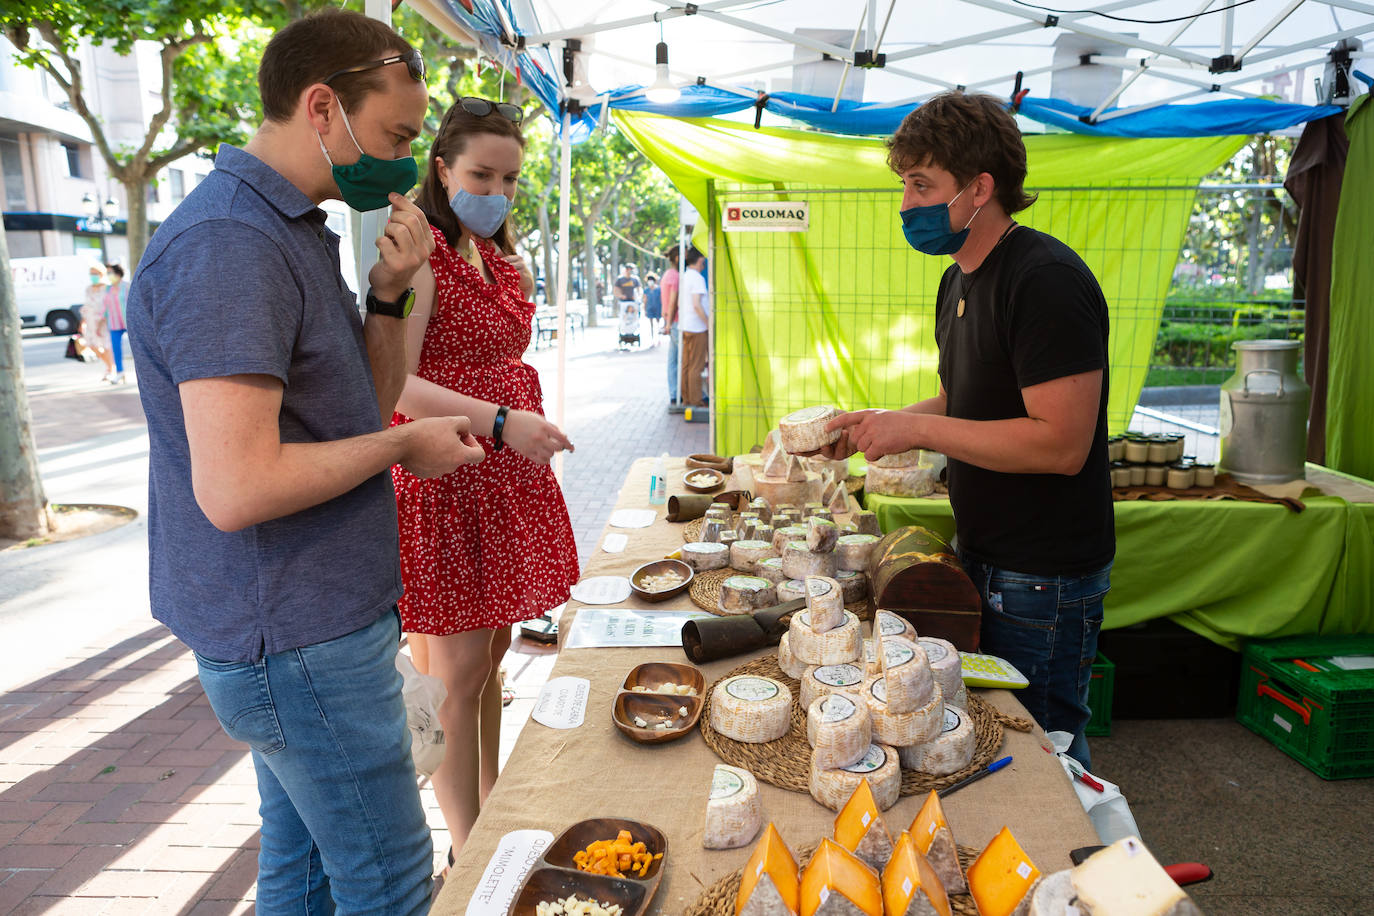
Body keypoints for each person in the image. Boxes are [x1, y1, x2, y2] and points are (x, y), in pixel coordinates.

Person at [125, 11, 487, 913]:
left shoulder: (290, 228)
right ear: (323, 107)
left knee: (306, 873)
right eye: (399, 136)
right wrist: (406, 444)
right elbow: (239, 486)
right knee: (391, 884)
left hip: (314, 627)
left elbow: (351, 411)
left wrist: (389, 297)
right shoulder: (230, 246)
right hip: (296, 637)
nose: (406, 161)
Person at [822, 91, 1114, 768]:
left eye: (922, 185)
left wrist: (917, 433)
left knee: (1044, 754)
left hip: (1044, 573)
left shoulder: (1044, 280)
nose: (905, 205)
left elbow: (1060, 443)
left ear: (981, 189)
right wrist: (876, 425)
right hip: (986, 550)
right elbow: (967, 398)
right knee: (992, 741)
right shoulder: (958, 279)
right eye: (903, 185)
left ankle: (1076, 867)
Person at [392, 96, 579, 865]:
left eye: (509, 179)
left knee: (491, 660)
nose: (497, 192)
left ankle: (494, 806)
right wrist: (503, 422)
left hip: (498, 481)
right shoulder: (424, 253)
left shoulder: (488, 253)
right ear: (442, 167)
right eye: (481, 174)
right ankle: (469, 855)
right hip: (449, 477)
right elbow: (397, 383)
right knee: (459, 675)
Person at [678, 246, 710, 408]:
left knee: (686, 365)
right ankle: (696, 400)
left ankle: (687, 398)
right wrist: (707, 323)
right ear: (699, 260)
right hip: (697, 327)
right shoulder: (697, 278)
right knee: (696, 367)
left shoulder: (684, 276)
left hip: (685, 325)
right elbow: (697, 304)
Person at [80, 263, 116, 381]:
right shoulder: (88, 289)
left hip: (103, 320)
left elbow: (110, 305)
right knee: (91, 345)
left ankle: (111, 369)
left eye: (95, 273)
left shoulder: (107, 287)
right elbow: (87, 306)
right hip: (90, 321)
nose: (92, 276)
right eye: (91, 274)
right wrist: (83, 322)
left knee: (106, 345)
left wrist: (102, 319)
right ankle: (109, 366)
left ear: (101, 274)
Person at [660, 246, 682, 412]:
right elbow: (673, 301)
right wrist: (669, 323)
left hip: (670, 320)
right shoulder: (676, 276)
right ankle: (676, 393)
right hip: (675, 322)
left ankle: (674, 393)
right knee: (678, 359)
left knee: (672, 360)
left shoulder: (667, 275)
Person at [100, 264, 129, 384]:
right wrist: (101, 322)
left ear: (118, 273)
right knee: (116, 349)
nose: (109, 275)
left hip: (128, 322)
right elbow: (104, 307)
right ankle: (120, 373)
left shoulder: (127, 286)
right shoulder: (108, 289)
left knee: (138, 348)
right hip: (114, 323)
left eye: (110, 272)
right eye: (107, 273)